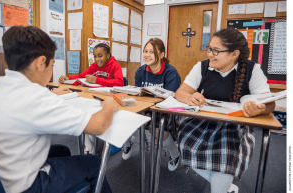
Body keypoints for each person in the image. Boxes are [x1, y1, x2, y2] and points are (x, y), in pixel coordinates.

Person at [0, 26, 118, 193]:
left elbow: (30, 104)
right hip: (26, 186)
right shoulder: (37, 98)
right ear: (41, 63)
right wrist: (109, 106)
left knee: (62, 151)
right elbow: (99, 125)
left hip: (1, 174)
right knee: (94, 163)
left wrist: (51, 93)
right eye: (52, 65)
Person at [175, 28, 275, 193]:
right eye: (209, 49)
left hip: (234, 126)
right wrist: (188, 97)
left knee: (227, 156)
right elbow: (181, 92)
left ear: (234, 54)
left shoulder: (252, 69)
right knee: (186, 145)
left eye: (216, 50)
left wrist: (259, 109)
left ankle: (221, 187)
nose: (210, 54)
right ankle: (224, 186)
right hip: (203, 123)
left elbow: (269, 103)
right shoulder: (202, 67)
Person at [122, 38, 181, 172]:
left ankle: (175, 154)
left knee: (156, 130)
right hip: (145, 107)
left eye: (152, 52)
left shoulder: (170, 72)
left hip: (164, 110)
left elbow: (170, 99)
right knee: (125, 116)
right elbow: (138, 94)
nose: (147, 55)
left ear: (161, 55)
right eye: (145, 51)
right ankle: (127, 143)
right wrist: (143, 110)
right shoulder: (140, 71)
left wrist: (149, 112)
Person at [58, 43, 124, 87]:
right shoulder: (94, 65)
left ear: (107, 55)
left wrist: (96, 80)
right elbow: (82, 76)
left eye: (100, 56)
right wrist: (67, 78)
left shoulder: (115, 65)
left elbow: (120, 82)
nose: (97, 59)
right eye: (95, 56)